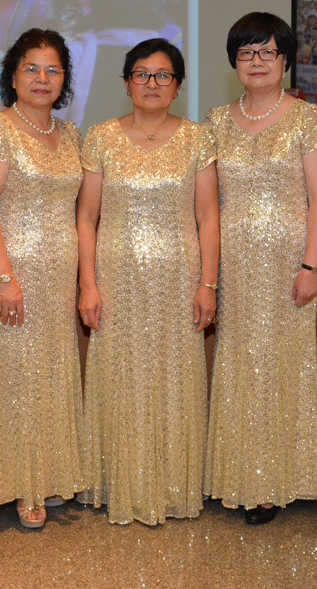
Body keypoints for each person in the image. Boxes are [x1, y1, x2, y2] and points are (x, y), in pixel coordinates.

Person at [77, 39, 219, 525]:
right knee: (120, 377)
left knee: (175, 378)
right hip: (116, 279)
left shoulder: (198, 138)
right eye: (141, 74)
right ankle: (118, 482)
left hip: (180, 279)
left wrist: (208, 284)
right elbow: (86, 217)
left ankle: (173, 485)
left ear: (177, 86)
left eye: (163, 75)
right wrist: (88, 284)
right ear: (126, 83)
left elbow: (208, 217)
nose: (152, 83)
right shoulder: (100, 136)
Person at [204, 12, 317, 524]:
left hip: (287, 267)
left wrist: (310, 265)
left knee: (281, 366)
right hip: (233, 265)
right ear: (234, 61)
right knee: (238, 365)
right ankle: (239, 474)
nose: (256, 61)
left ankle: (277, 479)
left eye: (268, 51)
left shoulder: (307, 119)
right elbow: (207, 204)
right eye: (246, 52)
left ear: (285, 60)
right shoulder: (215, 121)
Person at [0, 27, 86, 529]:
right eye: (31, 68)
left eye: (53, 69)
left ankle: (52, 471)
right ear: (12, 77)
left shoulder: (70, 134)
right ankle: (20, 482)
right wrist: (3, 278)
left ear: (64, 79)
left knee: (53, 371)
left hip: (59, 273)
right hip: (13, 271)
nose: (42, 78)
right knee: (16, 374)